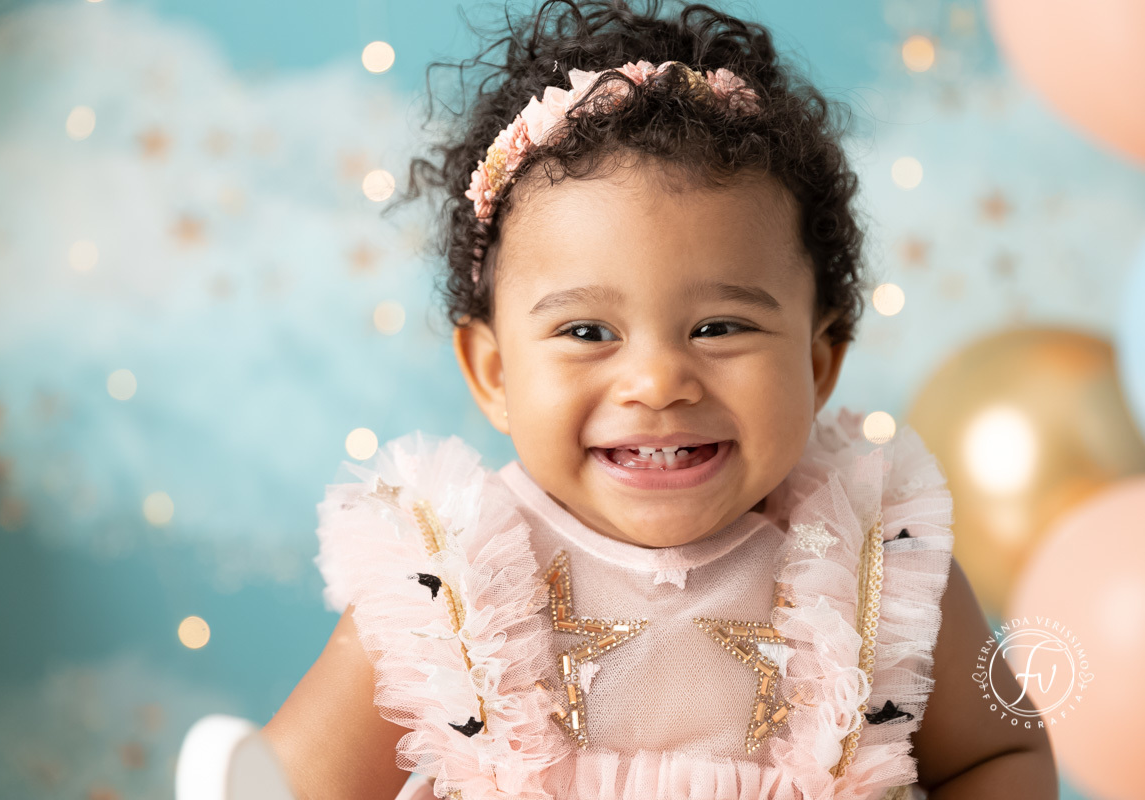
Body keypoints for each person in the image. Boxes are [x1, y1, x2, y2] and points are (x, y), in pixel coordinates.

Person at [261, 1, 1059, 797]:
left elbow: (998, 756)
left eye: (718, 327)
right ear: (494, 373)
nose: (657, 382)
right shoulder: (442, 593)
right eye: (587, 332)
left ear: (818, 365)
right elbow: (281, 785)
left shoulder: (875, 571)